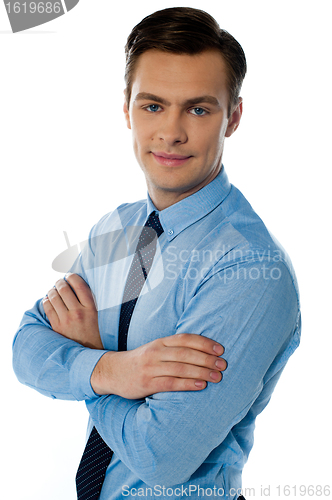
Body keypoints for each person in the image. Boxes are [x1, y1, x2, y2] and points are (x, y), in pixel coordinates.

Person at [12, 7, 301, 500]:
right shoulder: (117, 229)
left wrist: (88, 364)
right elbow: (26, 350)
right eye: (152, 106)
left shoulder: (250, 269)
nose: (170, 132)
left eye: (198, 109)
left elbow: (163, 456)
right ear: (126, 108)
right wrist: (114, 371)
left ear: (232, 118)